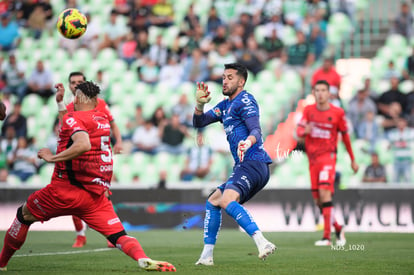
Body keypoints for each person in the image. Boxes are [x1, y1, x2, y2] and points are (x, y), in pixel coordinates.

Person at [0, 81, 176, 272]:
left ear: (79, 97)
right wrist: (60, 105)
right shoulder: (101, 119)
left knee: (23, 215)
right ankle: (142, 258)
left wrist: (52, 158)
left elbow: (81, 142)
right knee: (119, 236)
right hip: (95, 197)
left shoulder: (74, 119)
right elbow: (70, 127)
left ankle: (1, 263)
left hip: (64, 190)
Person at [193, 63, 276, 266]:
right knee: (213, 201)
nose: (225, 81)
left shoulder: (245, 100)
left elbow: (256, 130)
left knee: (227, 200)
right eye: (223, 77)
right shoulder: (225, 105)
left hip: (253, 161)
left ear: (241, 81)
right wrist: (200, 105)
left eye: (230, 77)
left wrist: (248, 142)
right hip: (244, 165)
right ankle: (206, 256)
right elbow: (199, 122)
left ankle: (262, 242)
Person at [55, 71, 123, 248]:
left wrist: (119, 141)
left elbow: (113, 124)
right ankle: (80, 234)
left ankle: (112, 234)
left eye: (79, 82)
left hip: (98, 157)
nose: (76, 85)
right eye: (73, 82)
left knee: (104, 195)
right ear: (69, 85)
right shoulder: (69, 107)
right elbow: (63, 126)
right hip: (79, 157)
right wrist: (60, 103)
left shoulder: (100, 103)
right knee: (74, 197)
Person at [296, 80, 359, 246]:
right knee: (318, 201)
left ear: (329, 93)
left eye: (324, 90)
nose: (321, 93)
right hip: (313, 160)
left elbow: (345, 137)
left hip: (328, 158)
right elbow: (298, 131)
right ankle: (338, 228)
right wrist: (304, 131)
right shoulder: (308, 111)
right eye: (317, 90)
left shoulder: (337, 112)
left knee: (325, 193)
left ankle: (326, 237)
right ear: (314, 93)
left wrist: (353, 159)